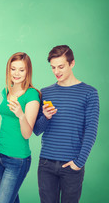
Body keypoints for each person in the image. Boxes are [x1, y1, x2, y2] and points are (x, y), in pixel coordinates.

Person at [33, 45, 99, 203]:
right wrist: (46, 117)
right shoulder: (45, 92)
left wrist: (79, 162)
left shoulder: (89, 93)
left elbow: (91, 130)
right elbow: (36, 130)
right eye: (53, 67)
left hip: (72, 165)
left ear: (72, 63)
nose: (57, 71)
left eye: (61, 66)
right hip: (46, 164)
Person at [0, 52, 40, 203]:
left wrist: (21, 115)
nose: (16, 73)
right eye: (13, 69)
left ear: (28, 71)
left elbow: (27, 134)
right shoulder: (6, 90)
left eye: (21, 70)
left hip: (17, 159)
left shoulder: (31, 95)